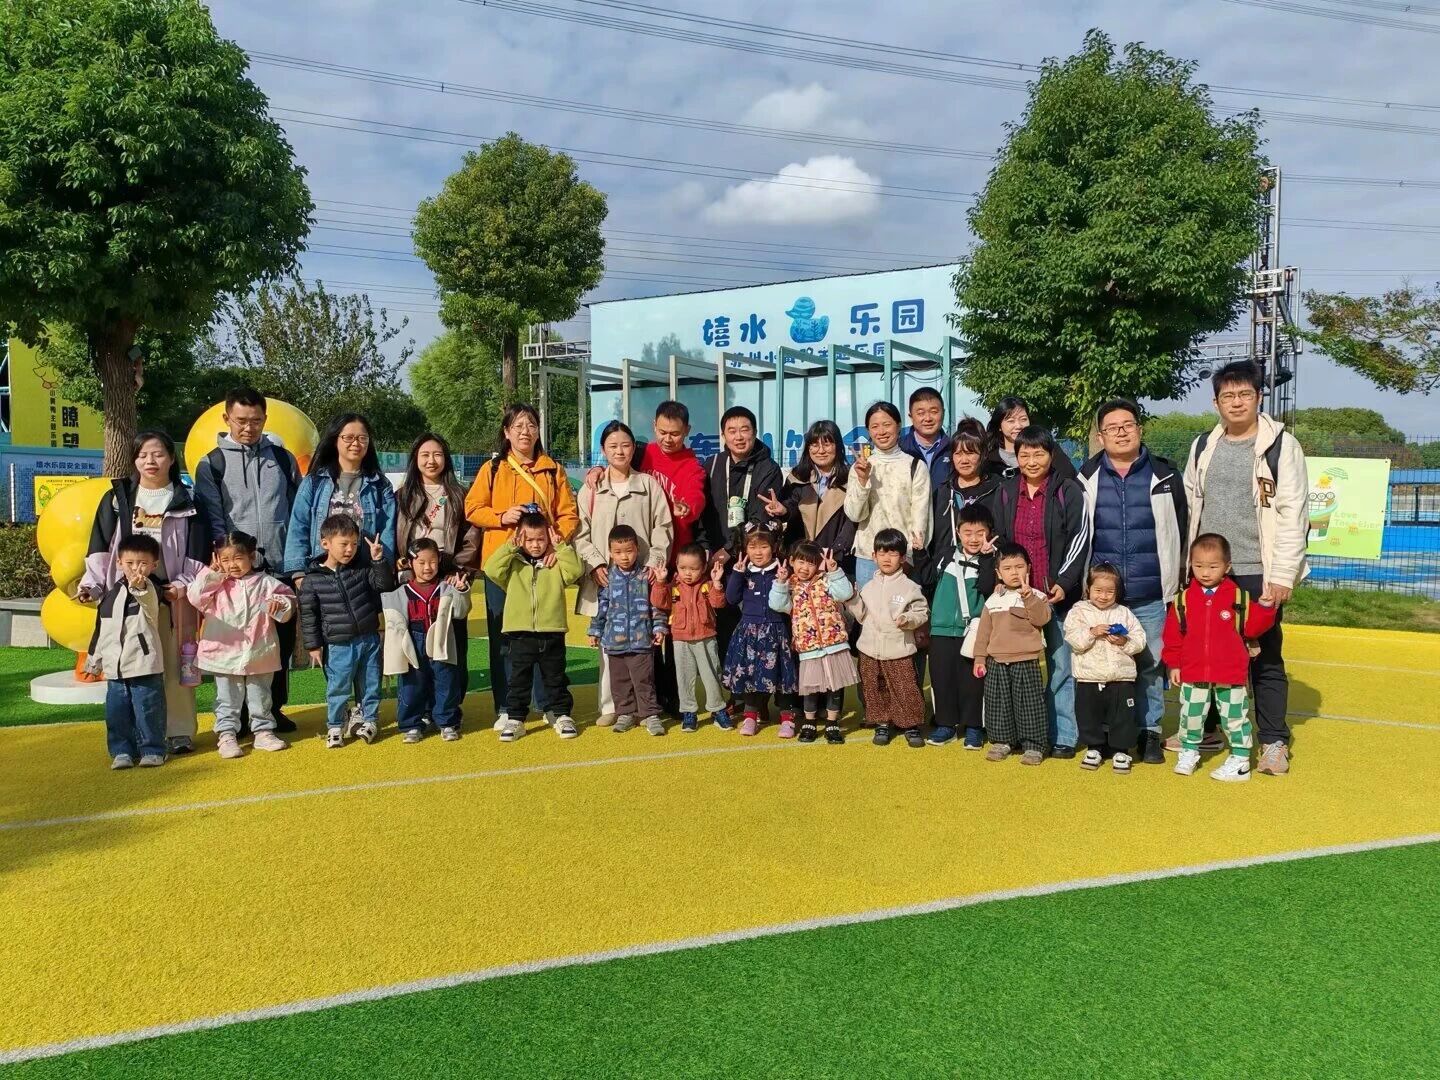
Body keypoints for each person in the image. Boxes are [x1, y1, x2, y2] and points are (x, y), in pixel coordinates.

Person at [1180, 360, 1308, 777]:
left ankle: (1272, 741)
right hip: (1209, 571)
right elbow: (1191, 506)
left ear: (1258, 397)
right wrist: (1188, 568)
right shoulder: (1203, 445)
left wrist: (1283, 574)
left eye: (1244, 395)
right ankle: (1208, 731)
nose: (1236, 403)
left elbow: (1293, 513)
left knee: (1264, 658)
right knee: (1207, 653)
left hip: (1257, 572)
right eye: (1228, 396)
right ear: (1216, 402)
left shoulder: (1281, 446)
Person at [78, 430, 208, 755]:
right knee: (134, 667)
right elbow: (100, 546)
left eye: (158, 454)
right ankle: (140, 735)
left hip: (173, 597)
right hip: (127, 599)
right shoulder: (117, 498)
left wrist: (182, 586)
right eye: (143, 455)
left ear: (172, 458)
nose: (150, 461)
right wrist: (93, 585)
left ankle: (179, 732)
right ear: (134, 460)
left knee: (178, 664)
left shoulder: (189, 501)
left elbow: (198, 551)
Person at [1077, 399, 1187, 765]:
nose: (1121, 432)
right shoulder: (1086, 477)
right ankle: (1107, 734)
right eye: (1112, 427)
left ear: (1140, 430)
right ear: (1100, 436)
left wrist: (1179, 578)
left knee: (1149, 665)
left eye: (1127, 425)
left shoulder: (1165, 476)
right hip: (1103, 596)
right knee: (1103, 664)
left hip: (1150, 591)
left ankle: (1149, 731)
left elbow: (1182, 528)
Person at [192, 386, 304, 734]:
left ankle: (272, 710)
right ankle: (237, 716)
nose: (248, 427)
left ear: (265, 419)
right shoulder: (212, 463)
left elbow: (297, 511)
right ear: (226, 418)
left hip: (277, 568)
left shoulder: (282, 459)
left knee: (277, 644)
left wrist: (295, 559)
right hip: (235, 575)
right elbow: (213, 518)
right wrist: (226, 564)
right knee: (235, 642)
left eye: (256, 420)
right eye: (241, 420)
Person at [465, 403, 579, 731]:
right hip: (504, 565)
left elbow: (569, 513)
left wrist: (557, 540)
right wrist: (502, 516)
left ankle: (548, 703)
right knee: (504, 638)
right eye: (518, 426)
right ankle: (507, 706)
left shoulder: (553, 470)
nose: (525, 432)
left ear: (538, 430)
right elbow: (472, 508)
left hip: (544, 564)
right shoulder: (493, 469)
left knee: (545, 635)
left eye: (531, 425)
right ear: (506, 432)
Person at [989, 426, 1088, 758]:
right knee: (1017, 668)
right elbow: (1001, 541)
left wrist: (1064, 581)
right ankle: (1020, 733)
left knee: (1061, 666)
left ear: (1051, 455)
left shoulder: (1068, 490)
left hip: (1056, 594)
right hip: (1017, 598)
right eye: (1024, 454)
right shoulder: (1006, 492)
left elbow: (1079, 538)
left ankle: (1062, 735)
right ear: (1016, 457)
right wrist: (1003, 578)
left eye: (1039, 453)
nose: (1031, 461)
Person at [574, 420, 674, 727]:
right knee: (609, 645)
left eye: (626, 445)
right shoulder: (591, 489)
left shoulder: (648, 485)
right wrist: (595, 564)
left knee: (643, 649)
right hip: (605, 579)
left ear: (634, 449)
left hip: (642, 580)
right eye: (613, 446)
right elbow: (580, 532)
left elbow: (663, 527)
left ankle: (645, 709)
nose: (620, 451)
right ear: (603, 450)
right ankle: (611, 706)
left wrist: (654, 562)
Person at [1162, 533, 1279, 782]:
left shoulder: (1238, 598)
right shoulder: (1183, 600)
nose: (1205, 573)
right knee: (1191, 716)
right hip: (1193, 670)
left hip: (1230, 672)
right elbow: (1173, 636)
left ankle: (1240, 760)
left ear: (1227, 566)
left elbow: (1252, 629)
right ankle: (1189, 751)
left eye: (1213, 567)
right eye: (1198, 566)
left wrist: (1265, 608)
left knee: (1235, 717)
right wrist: (1173, 664)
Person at [186, 530, 296, 759]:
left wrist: (279, 604)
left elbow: (288, 605)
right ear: (217, 559)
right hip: (224, 653)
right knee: (227, 698)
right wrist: (213, 573)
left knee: (261, 695)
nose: (232, 565)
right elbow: (195, 597)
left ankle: (263, 732)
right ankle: (227, 735)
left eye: (238, 558)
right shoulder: (216, 584)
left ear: (251, 556)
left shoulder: (266, 583)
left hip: (259, 651)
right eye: (225, 559)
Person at [484, 512, 584, 742]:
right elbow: (491, 569)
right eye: (529, 539)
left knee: (556, 677)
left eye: (540, 539)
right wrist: (510, 547)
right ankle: (516, 718)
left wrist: (561, 547)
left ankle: (561, 715)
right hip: (520, 632)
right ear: (520, 538)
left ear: (548, 538)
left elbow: (575, 571)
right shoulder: (513, 564)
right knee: (518, 679)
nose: (535, 545)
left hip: (552, 631)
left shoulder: (555, 563)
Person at [298, 515, 395, 749]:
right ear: (325, 543)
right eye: (344, 544)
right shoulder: (312, 580)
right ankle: (335, 725)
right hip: (337, 644)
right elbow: (309, 615)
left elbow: (384, 586)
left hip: (369, 638)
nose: (350, 549)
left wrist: (378, 561)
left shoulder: (361, 569)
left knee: (370, 683)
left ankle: (370, 719)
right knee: (338, 686)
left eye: (354, 543)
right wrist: (313, 645)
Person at [701, 406, 785, 666]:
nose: (738, 437)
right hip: (717, 562)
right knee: (724, 627)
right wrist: (706, 548)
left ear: (755, 432)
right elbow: (702, 511)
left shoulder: (768, 468)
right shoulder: (713, 464)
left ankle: (760, 684)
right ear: (723, 435)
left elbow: (760, 518)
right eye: (732, 431)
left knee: (757, 626)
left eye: (744, 430)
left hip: (753, 561)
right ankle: (732, 684)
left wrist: (729, 550)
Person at [85, 534, 169, 770]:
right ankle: (122, 751)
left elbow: (149, 601)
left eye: (143, 563)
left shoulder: (151, 588)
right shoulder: (111, 594)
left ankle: (153, 750)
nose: (136, 568)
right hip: (115, 668)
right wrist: (94, 661)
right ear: (119, 562)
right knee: (117, 713)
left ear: (154, 565)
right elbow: (101, 629)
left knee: (148, 709)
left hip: (144, 664)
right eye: (130, 563)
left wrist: (140, 587)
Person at [916, 502, 996, 749]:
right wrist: (920, 554)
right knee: (942, 679)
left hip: (972, 631)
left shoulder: (992, 560)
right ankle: (945, 724)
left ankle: (974, 727)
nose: (973, 539)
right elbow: (927, 581)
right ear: (958, 532)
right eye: (968, 532)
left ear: (989, 533)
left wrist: (986, 558)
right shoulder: (945, 555)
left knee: (973, 682)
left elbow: (987, 588)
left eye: (980, 533)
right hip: (940, 629)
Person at [382, 538, 473, 743]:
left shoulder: (446, 588)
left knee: (446, 682)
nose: (427, 567)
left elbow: (460, 612)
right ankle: (411, 725)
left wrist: (461, 591)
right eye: (421, 562)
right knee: (411, 684)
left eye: (432, 561)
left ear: (439, 560)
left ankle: (447, 722)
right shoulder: (401, 592)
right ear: (410, 563)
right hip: (413, 640)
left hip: (441, 639)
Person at [284, 413, 397, 575]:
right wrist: (298, 572)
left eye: (362, 438)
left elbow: (387, 533)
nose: (356, 443)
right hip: (322, 575)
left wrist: (384, 571)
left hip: (364, 576)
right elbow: (299, 527)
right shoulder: (314, 482)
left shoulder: (380, 485)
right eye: (348, 438)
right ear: (335, 440)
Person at [768, 540, 856, 744]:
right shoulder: (790, 585)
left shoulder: (826, 581)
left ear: (818, 565)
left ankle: (832, 723)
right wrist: (780, 582)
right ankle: (809, 722)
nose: (805, 568)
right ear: (791, 561)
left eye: (811, 563)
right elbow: (777, 605)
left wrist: (835, 572)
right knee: (811, 687)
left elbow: (845, 594)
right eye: (801, 562)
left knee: (835, 686)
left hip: (834, 643)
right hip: (808, 646)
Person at [972, 543, 1052, 766]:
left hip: (1026, 661)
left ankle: (1033, 745)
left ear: (1029, 568)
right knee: (998, 704)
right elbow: (983, 633)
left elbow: (1042, 619)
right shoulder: (993, 599)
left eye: (1019, 567)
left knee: (1030, 706)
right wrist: (979, 658)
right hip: (996, 662)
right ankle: (1002, 741)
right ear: (998, 573)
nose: (1014, 572)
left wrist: (1029, 598)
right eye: (1007, 568)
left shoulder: (1038, 596)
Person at [848, 528, 929, 747]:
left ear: (902, 558)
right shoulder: (868, 587)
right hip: (869, 649)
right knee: (874, 687)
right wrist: (852, 599)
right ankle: (881, 723)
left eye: (893, 553)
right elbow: (861, 615)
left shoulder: (910, 587)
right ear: (873, 556)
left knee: (905, 688)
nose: (886, 558)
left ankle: (910, 725)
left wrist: (908, 619)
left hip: (899, 649)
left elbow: (922, 612)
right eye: (882, 553)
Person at [1063, 563, 1147, 774]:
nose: (1103, 596)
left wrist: (1124, 641)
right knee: (1088, 714)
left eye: (1110, 591)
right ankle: (1094, 747)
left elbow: (1140, 639)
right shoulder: (1078, 611)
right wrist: (1092, 632)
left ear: (1117, 592)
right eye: (1098, 590)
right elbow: (1074, 639)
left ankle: (1121, 750)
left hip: (1121, 676)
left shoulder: (1124, 612)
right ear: (1088, 589)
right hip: (1089, 676)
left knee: (1123, 715)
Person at [586, 524, 670, 736]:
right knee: (619, 682)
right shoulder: (608, 579)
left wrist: (659, 627)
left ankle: (650, 714)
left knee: (644, 680)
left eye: (629, 551)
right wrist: (595, 631)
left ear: (637, 550)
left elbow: (656, 605)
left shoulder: (646, 577)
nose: (624, 557)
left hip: (642, 642)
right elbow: (601, 608)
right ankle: (625, 713)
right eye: (618, 552)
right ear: (610, 553)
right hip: (614, 642)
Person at [717, 521, 795, 737]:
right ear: (745, 548)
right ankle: (751, 716)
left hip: (776, 632)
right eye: (752, 547)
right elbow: (732, 599)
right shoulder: (744, 572)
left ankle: (787, 719)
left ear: (774, 547)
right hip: (749, 633)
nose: (758, 552)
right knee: (751, 676)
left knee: (782, 677)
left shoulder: (781, 570)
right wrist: (737, 574)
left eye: (763, 547)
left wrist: (783, 580)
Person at [844, 401, 932, 591]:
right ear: (868, 431)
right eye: (875, 426)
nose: (881, 431)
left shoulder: (915, 466)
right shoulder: (860, 467)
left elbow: (921, 518)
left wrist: (908, 556)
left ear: (898, 426)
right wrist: (862, 481)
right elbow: (855, 515)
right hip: (868, 557)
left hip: (903, 557)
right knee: (868, 609)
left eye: (887, 424)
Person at [920, 417, 1000, 578]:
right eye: (958, 454)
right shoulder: (943, 492)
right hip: (947, 573)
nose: (964, 460)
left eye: (970, 453)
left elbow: (1002, 535)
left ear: (983, 455)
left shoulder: (997, 490)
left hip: (984, 573)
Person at [668, 542, 730, 732]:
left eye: (694, 569)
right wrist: (661, 583)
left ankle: (717, 709)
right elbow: (659, 602)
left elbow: (719, 603)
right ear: (676, 566)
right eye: (683, 568)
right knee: (684, 677)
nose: (688, 573)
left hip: (706, 636)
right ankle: (689, 712)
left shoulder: (707, 585)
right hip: (680, 638)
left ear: (703, 568)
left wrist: (717, 584)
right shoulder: (673, 586)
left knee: (711, 674)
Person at [779, 420, 857, 566]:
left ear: (838, 446)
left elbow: (852, 522)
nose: (820, 451)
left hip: (836, 560)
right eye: (814, 445)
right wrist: (783, 510)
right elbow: (790, 505)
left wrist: (835, 552)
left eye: (827, 444)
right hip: (800, 561)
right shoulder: (797, 477)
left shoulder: (851, 478)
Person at [983, 396, 1078, 482]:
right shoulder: (989, 460)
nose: (1018, 426)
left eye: (1023, 419)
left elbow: (1069, 479)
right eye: (1011, 421)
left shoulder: (1048, 449)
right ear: (999, 426)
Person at [898, 386, 952, 490]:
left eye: (934, 412)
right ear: (911, 417)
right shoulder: (899, 448)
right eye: (921, 413)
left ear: (943, 413)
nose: (928, 418)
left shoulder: (954, 449)